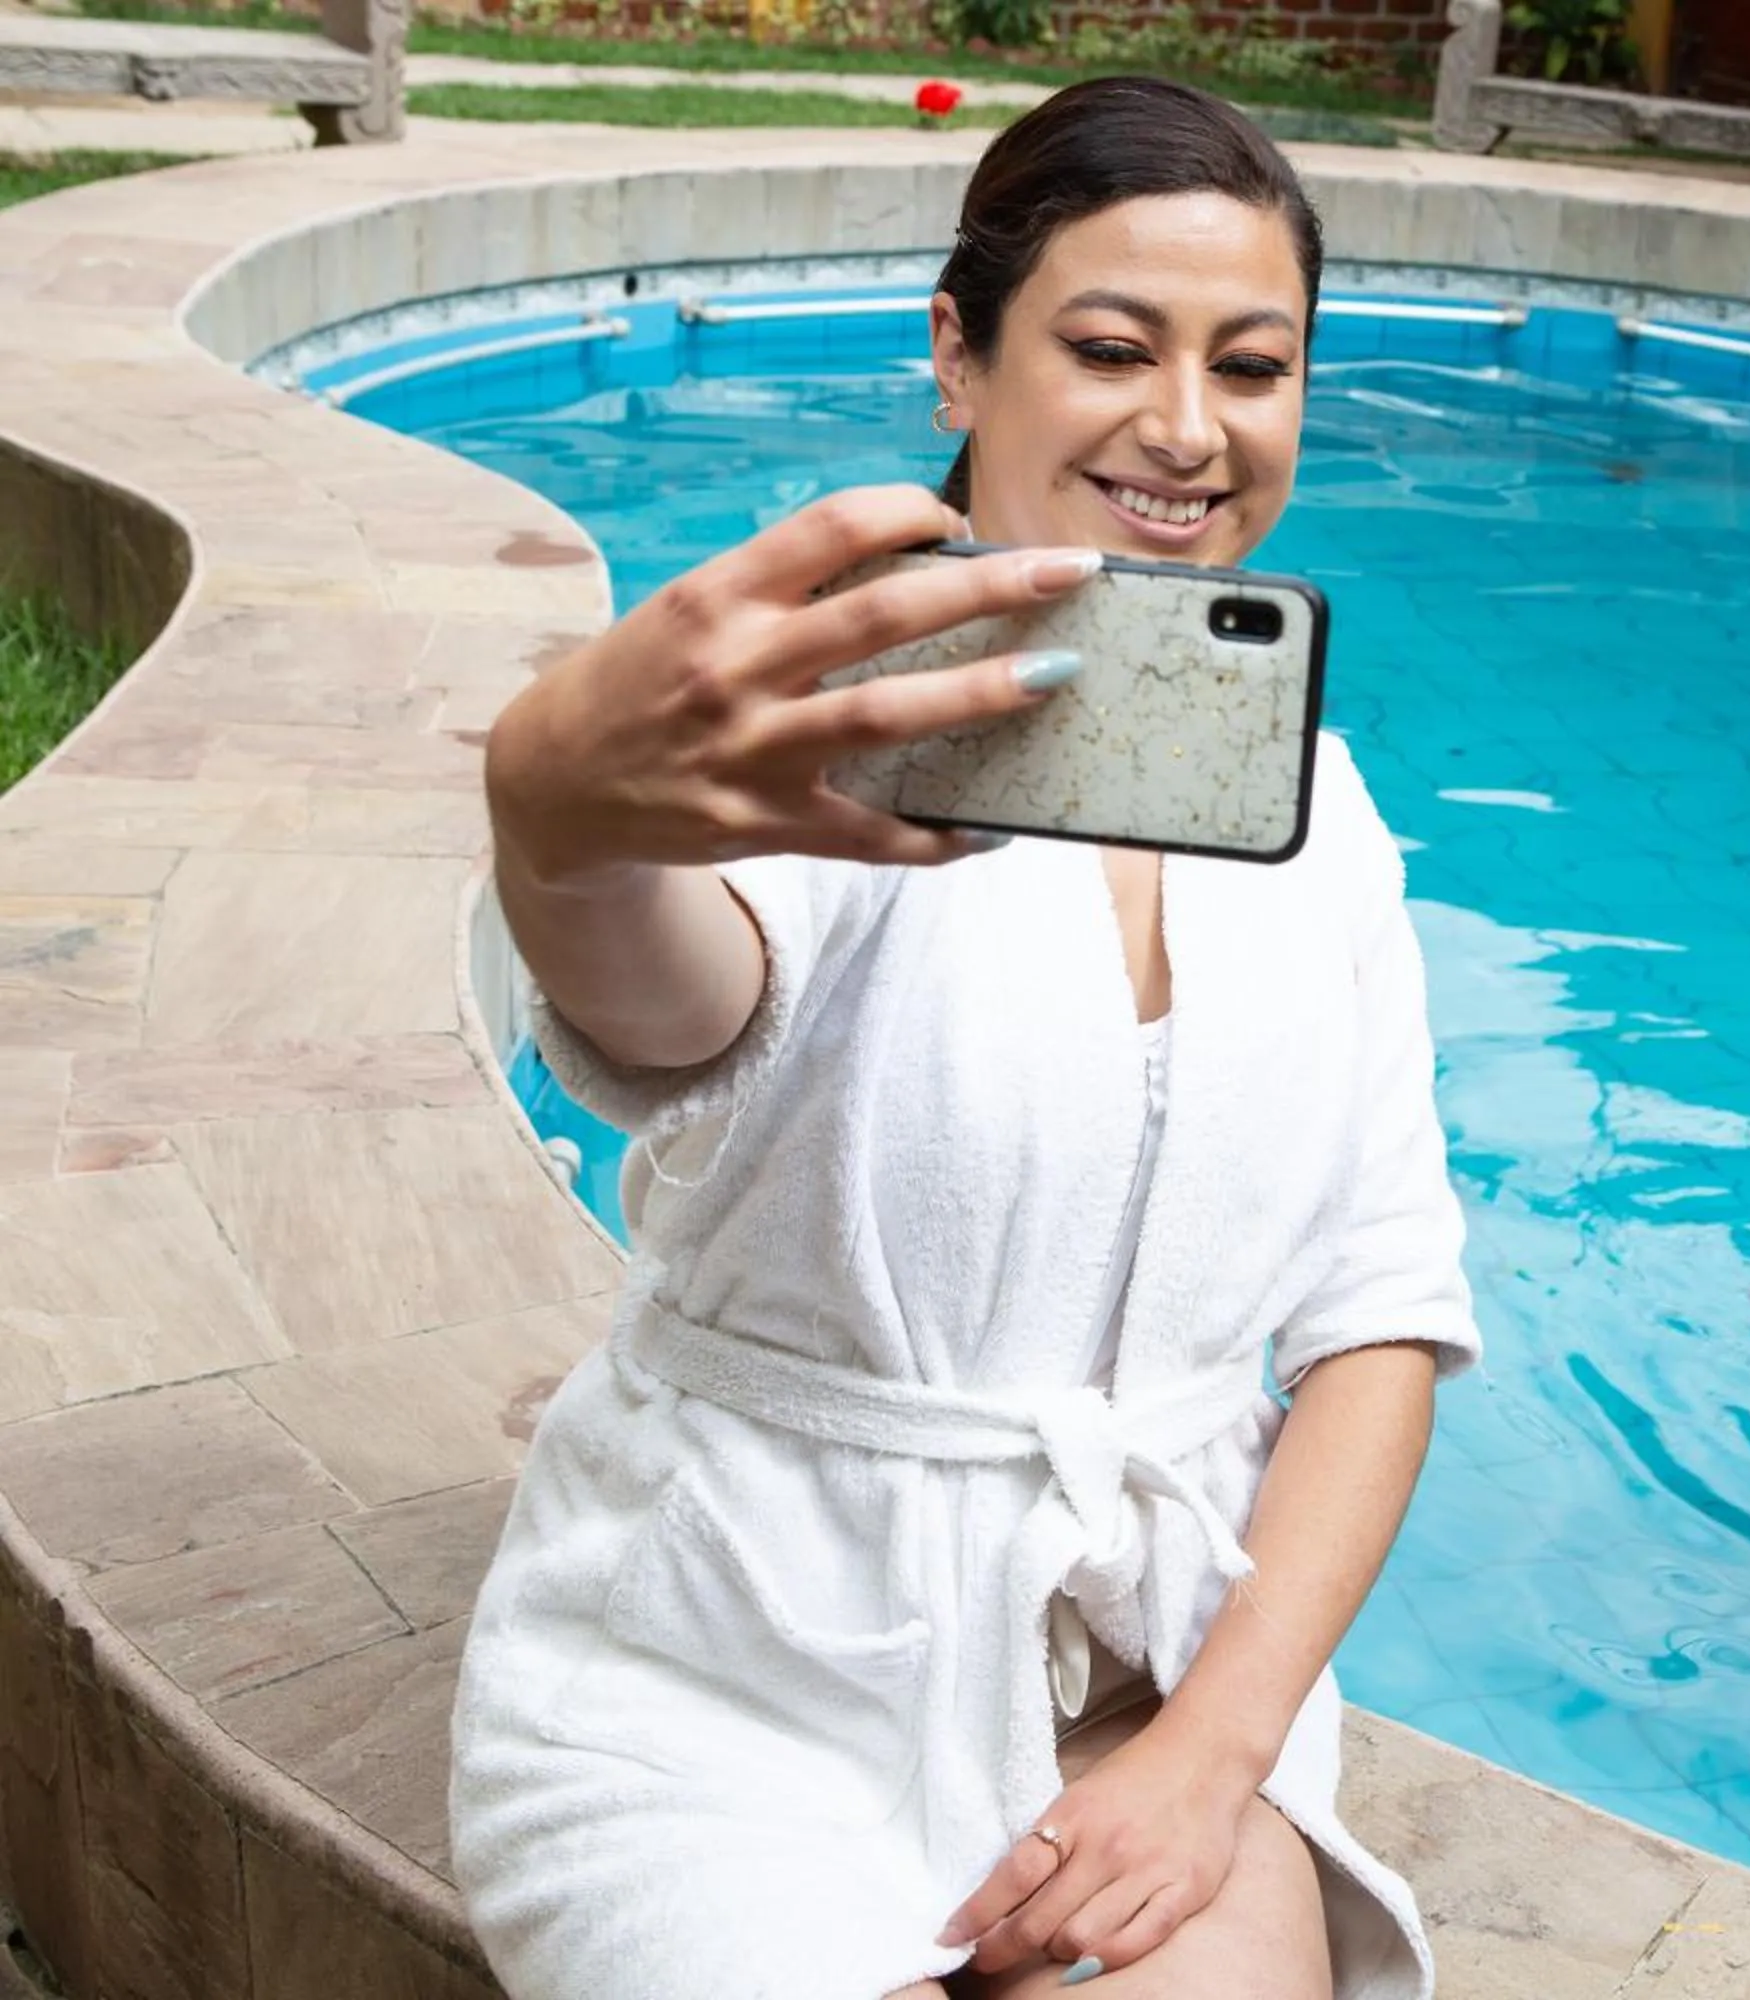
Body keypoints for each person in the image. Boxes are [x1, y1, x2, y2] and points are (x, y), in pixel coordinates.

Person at [449, 81, 1478, 2000]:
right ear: (957, 353)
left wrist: (1212, 1752)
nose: (1188, 426)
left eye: (1253, 367)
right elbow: (668, 1001)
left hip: (1145, 1684)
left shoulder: (1318, 817)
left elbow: (1378, 1314)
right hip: (726, 1681)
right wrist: (561, 817)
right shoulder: (813, 740)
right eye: (1109, 347)